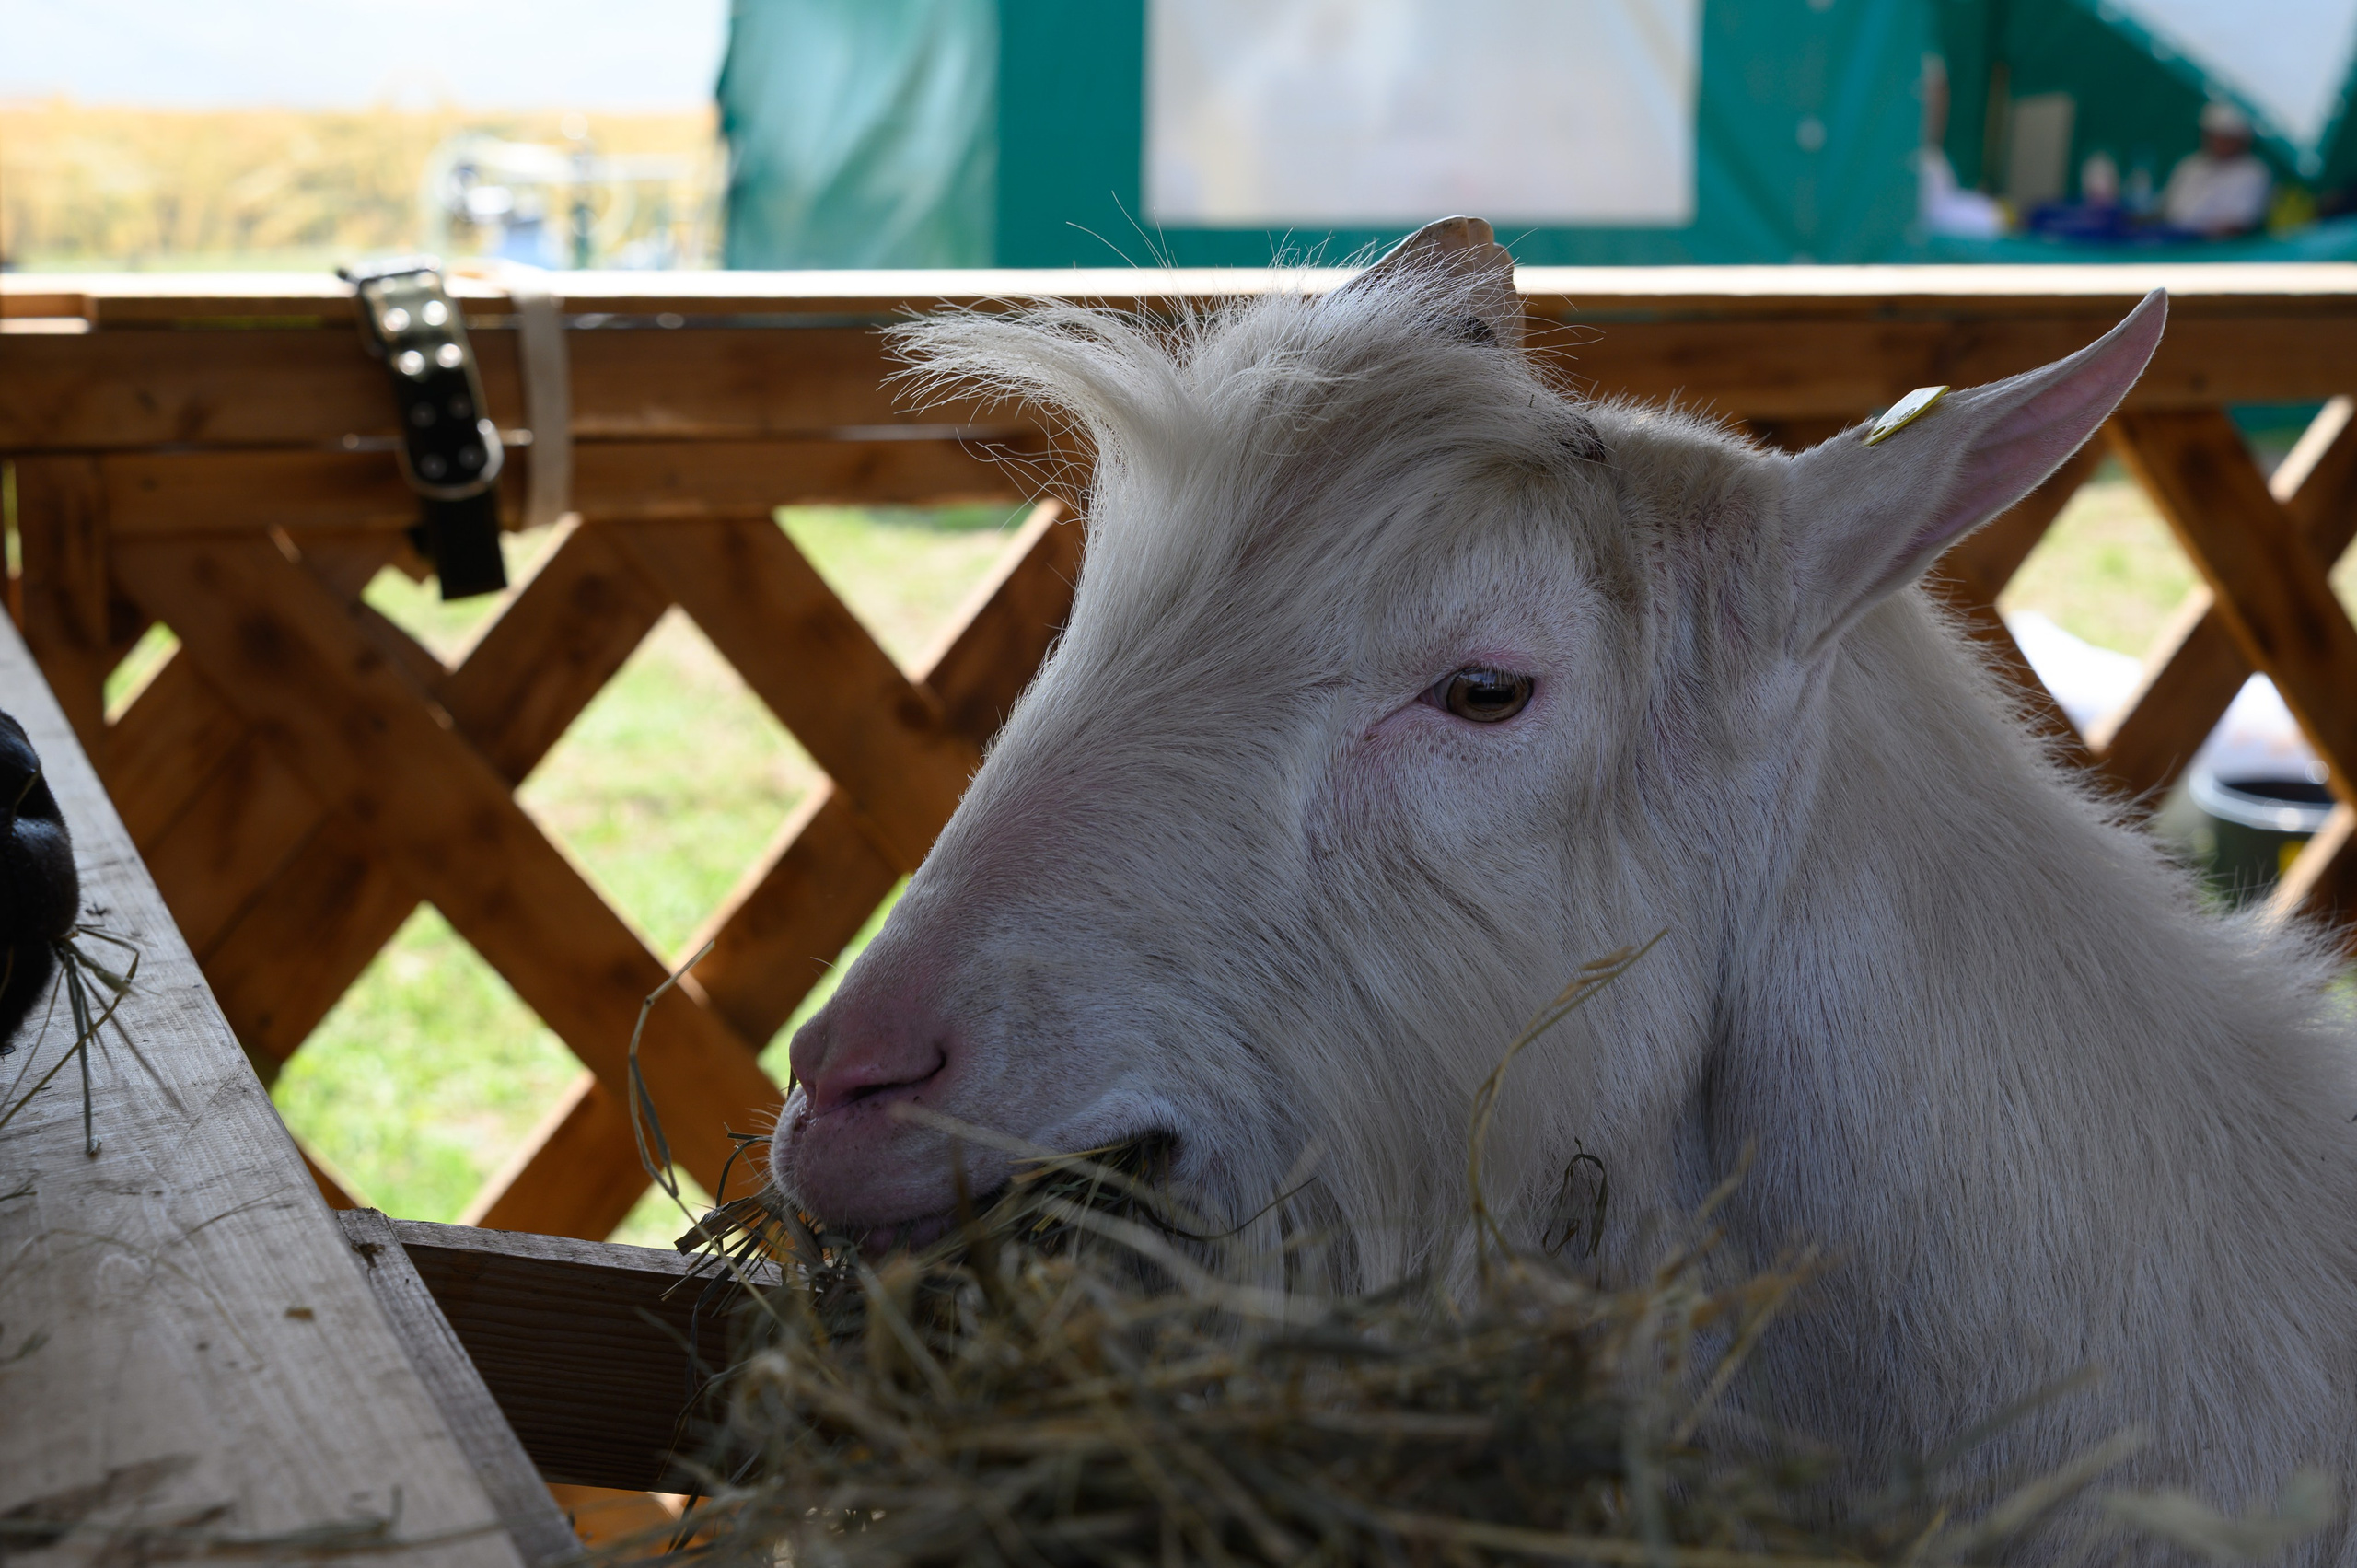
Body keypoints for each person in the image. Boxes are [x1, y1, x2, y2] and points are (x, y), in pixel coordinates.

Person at [2162, 101, 2271, 237]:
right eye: (2213, 134)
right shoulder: (2190, 164)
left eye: (2226, 136)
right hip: (2168, 237)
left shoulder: (2254, 172)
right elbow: (2165, 211)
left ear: (2242, 139)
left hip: (2211, 249)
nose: (2218, 141)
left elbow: (2238, 226)